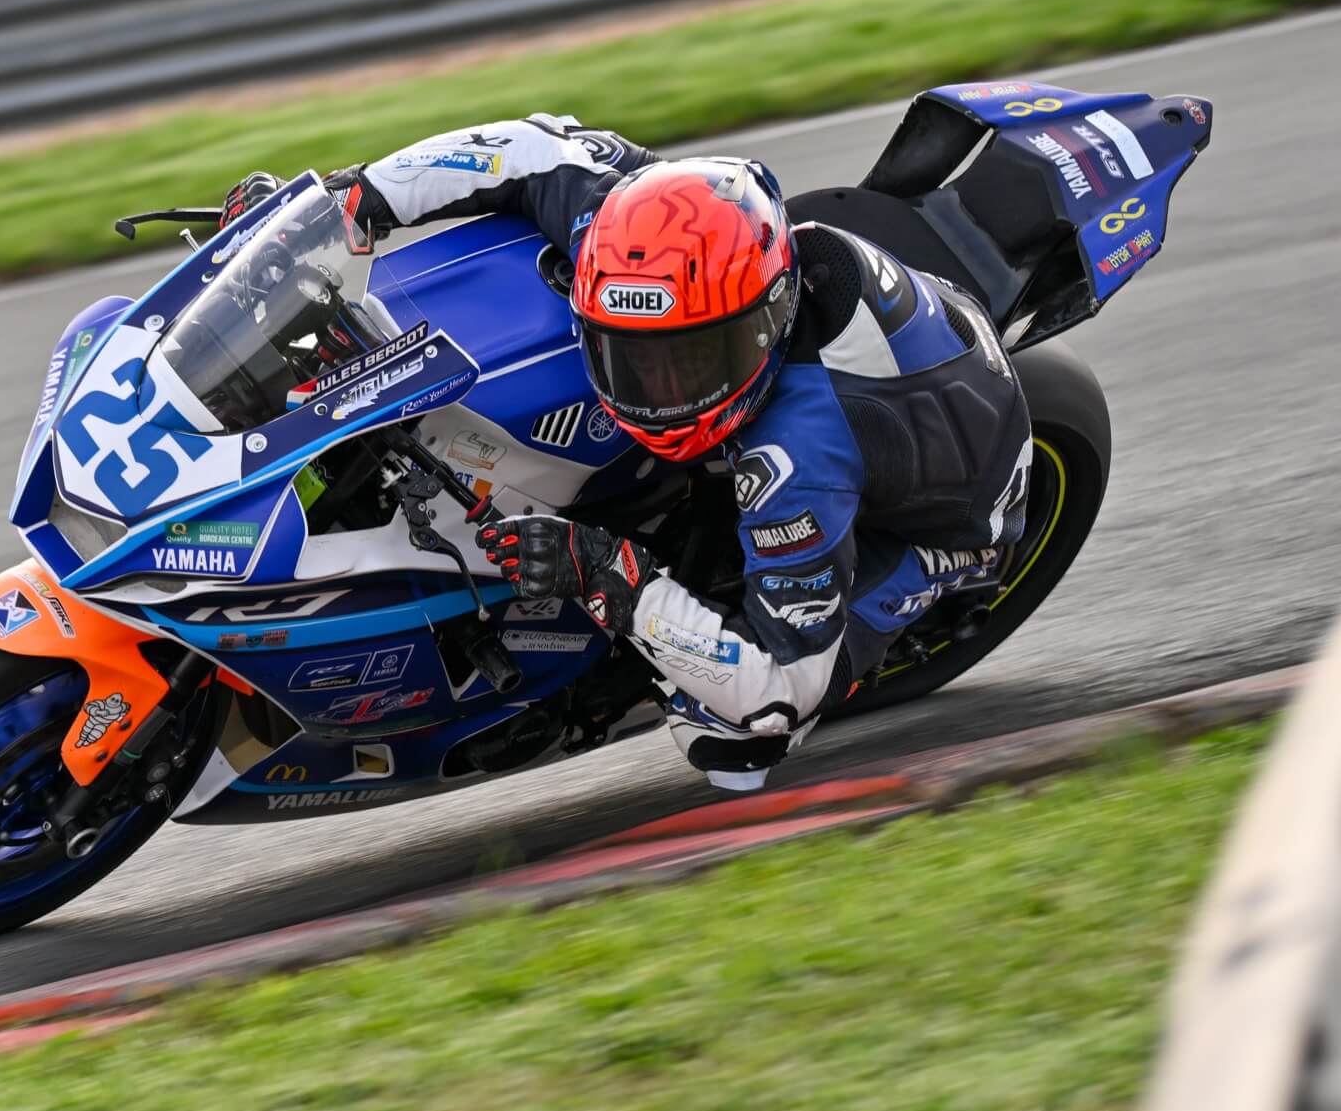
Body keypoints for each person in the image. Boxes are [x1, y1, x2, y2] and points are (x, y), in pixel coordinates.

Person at [223, 114, 1033, 790]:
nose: (656, 388)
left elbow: (783, 683)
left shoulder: (800, 459)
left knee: (735, 728)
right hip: (872, 343)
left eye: (690, 362)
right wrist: (349, 200)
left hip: (949, 516)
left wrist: (611, 574)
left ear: (763, 325)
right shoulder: (636, 224)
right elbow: (524, 149)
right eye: (630, 355)